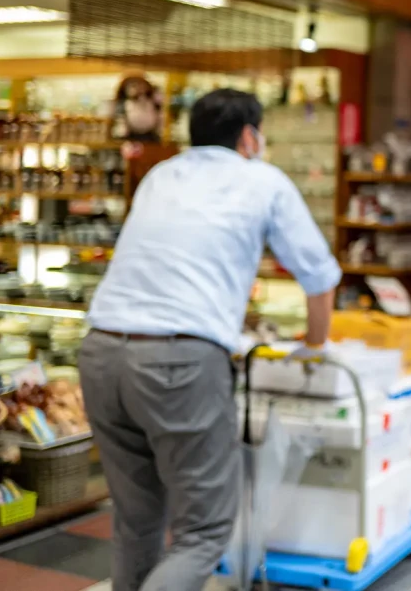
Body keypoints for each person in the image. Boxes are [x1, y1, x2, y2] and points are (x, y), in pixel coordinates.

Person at [81, 89, 341, 591]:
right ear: (250, 137)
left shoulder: (161, 175)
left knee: (136, 522)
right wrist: (314, 348)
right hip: (178, 359)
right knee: (203, 531)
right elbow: (320, 278)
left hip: (100, 352)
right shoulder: (263, 179)